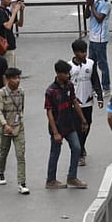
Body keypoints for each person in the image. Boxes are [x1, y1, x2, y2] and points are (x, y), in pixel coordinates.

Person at [45, 59, 89, 189]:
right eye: (65, 73)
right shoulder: (50, 91)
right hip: (57, 127)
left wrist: (83, 120)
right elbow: (49, 113)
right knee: (55, 153)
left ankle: (72, 177)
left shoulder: (69, 85)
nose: (68, 75)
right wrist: (56, 132)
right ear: (58, 74)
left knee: (76, 148)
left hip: (69, 125)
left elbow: (74, 102)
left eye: (68, 73)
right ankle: (51, 180)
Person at [0, 65, 29, 193]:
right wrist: (5, 125)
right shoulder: (1, 93)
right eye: (14, 78)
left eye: (18, 77)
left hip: (18, 127)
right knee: (4, 152)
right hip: (6, 129)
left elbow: (21, 108)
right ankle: (0, 171)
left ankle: (22, 182)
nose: (17, 80)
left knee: (21, 155)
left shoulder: (21, 92)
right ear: (8, 79)